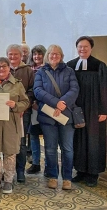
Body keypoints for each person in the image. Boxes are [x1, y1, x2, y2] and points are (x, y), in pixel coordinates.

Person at [0, 57, 30, 194]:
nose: (1, 69)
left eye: (4, 66)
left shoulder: (17, 84)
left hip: (10, 123)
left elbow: (25, 102)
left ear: (9, 68)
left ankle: (8, 180)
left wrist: (16, 105)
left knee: (10, 153)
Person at [34, 45, 79, 190]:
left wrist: (63, 104)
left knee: (67, 149)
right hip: (48, 115)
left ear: (61, 56)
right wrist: (56, 103)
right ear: (47, 55)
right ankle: (53, 176)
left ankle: (67, 178)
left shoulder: (69, 71)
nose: (54, 56)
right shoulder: (41, 72)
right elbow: (38, 90)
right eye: (52, 54)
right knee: (50, 149)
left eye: (57, 54)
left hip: (66, 115)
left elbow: (74, 89)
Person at [67, 36, 107, 187]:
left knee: (93, 140)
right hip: (76, 108)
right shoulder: (70, 65)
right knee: (78, 139)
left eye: (85, 46)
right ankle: (80, 170)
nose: (82, 49)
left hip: (95, 109)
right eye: (80, 46)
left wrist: (104, 110)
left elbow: (104, 89)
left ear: (91, 48)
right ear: (76, 48)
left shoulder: (99, 66)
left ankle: (93, 173)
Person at [7, 44, 34, 183]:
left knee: (21, 143)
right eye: (10, 54)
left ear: (21, 56)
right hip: (6, 113)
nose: (13, 57)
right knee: (7, 142)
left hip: (23, 113)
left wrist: (22, 107)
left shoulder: (28, 70)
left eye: (15, 54)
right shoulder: (3, 69)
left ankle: (20, 171)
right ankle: (8, 171)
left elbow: (31, 91)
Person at [26, 45, 47, 175]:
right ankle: (36, 163)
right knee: (33, 135)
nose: (37, 56)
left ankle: (50, 166)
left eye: (39, 54)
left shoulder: (48, 69)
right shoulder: (29, 70)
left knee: (49, 137)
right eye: (34, 54)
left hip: (46, 106)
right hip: (33, 107)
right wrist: (32, 102)